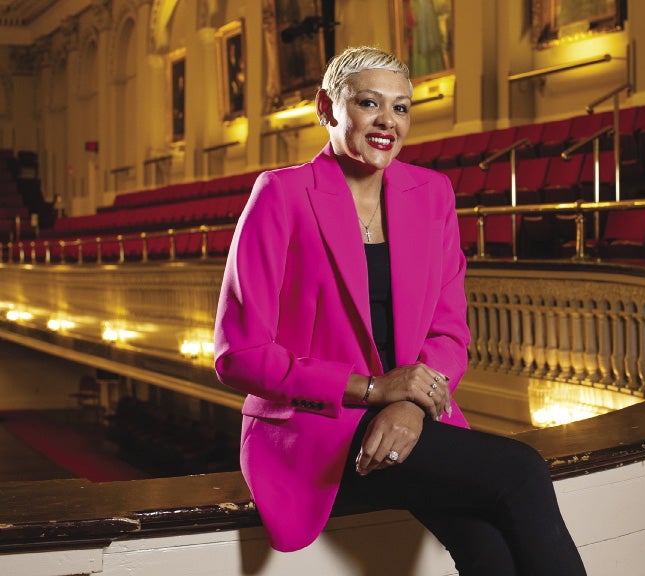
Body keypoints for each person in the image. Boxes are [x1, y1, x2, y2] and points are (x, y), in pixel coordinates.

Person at [214, 46, 587, 575]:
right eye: (369, 103)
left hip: (410, 419)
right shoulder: (282, 194)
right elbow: (240, 356)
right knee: (521, 471)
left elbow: (450, 331)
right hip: (314, 427)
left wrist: (410, 404)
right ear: (327, 107)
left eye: (402, 108)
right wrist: (374, 390)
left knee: (489, 549)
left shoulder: (431, 193)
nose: (388, 121)